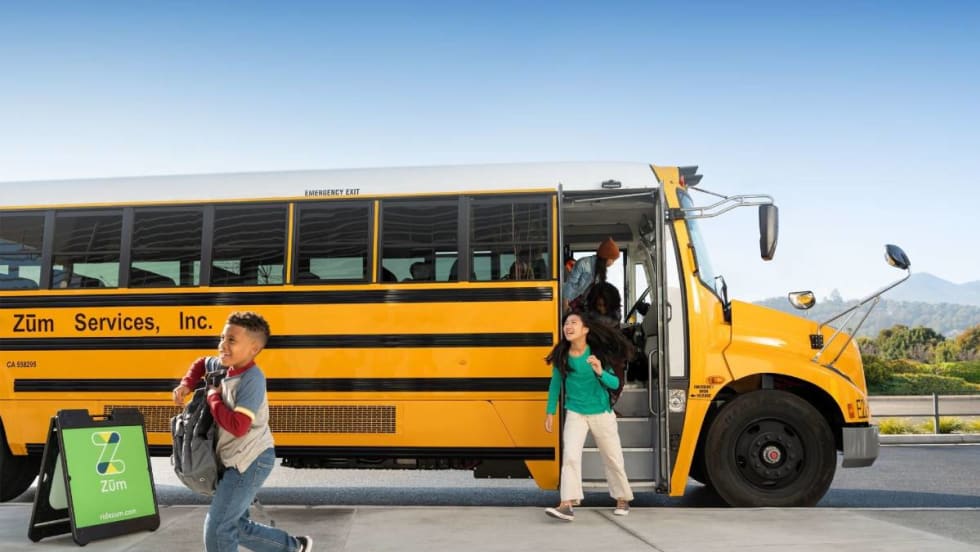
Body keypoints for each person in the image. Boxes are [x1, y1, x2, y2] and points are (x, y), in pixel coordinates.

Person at [172, 312, 313, 552]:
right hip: (232, 458)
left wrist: (213, 397)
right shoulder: (225, 365)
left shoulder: (252, 379)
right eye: (222, 338)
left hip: (251, 460)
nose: (222, 346)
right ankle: (293, 547)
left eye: (231, 341)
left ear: (254, 348)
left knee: (217, 528)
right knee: (234, 526)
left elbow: (238, 426)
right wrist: (186, 383)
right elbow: (201, 363)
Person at [543, 310, 634, 522]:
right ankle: (567, 504)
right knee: (570, 457)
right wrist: (550, 412)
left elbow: (615, 384)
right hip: (575, 412)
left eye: (574, 322)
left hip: (601, 412)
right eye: (566, 323)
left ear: (585, 330)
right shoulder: (562, 355)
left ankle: (622, 498)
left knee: (612, 457)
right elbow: (555, 384)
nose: (568, 326)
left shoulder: (596, 355)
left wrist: (600, 371)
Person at [562, 237, 620, 312]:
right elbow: (570, 284)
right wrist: (565, 304)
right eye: (613, 260)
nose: (613, 263)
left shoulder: (600, 270)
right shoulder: (583, 264)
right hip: (571, 302)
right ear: (606, 257)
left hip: (584, 304)